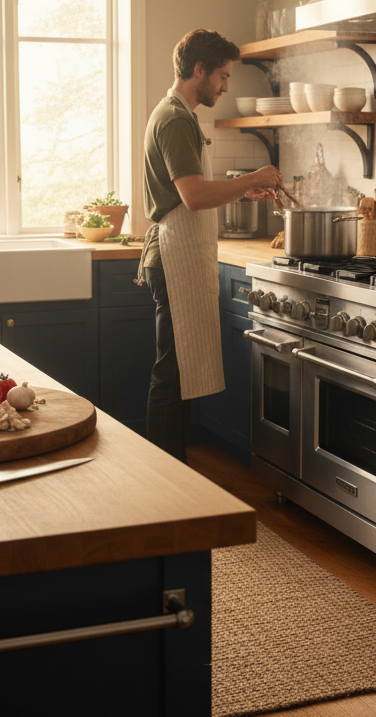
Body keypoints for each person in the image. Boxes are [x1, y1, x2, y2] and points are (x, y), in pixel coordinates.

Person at [138, 28, 284, 462]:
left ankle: (172, 470)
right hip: (173, 254)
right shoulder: (177, 118)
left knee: (179, 370)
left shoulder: (176, 113)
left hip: (177, 253)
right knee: (171, 372)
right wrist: (253, 179)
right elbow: (194, 197)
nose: (225, 86)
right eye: (221, 76)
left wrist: (241, 190)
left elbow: (196, 189)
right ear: (198, 69)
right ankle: (165, 473)